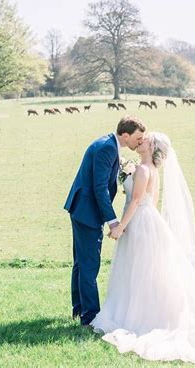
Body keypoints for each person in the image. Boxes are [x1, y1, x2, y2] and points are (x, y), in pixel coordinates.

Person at [91, 132, 195, 362]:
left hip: (138, 223)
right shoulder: (148, 170)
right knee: (145, 271)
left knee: (139, 270)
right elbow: (150, 203)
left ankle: (138, 316)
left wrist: (120, 227)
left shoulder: (143, 170)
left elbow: (135, 201)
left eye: (147, 140)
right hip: (147, 222)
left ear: (152, 149)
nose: (141, 140)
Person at [63, 116, 146, 326]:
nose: (139, 141)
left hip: (81, 208)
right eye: (138, 137)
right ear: (125, 135)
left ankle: (79, 308)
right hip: (87, 212)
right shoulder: (107, 148)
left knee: (81, 263)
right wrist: (113, 221)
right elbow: (100, 188)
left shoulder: (108, 143)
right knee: (89, 264)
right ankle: (90, 316)